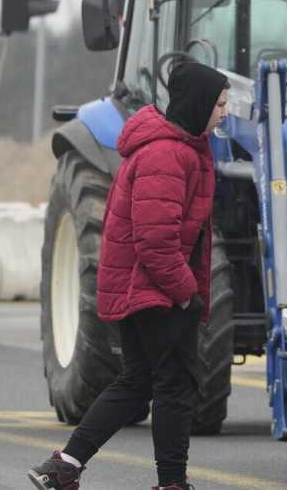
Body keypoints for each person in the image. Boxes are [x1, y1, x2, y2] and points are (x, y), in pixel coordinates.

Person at [29, 61, 229, 490]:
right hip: (157, 290)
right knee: (173, 385)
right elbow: (155, 241)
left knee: (137, 384)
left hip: (146, 288)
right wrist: (186, 292)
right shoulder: (168, 154)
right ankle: (172, 483)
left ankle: (63, 467)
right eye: (219, 104)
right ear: (198, 104)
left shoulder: (180, 147)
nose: (224, 112)